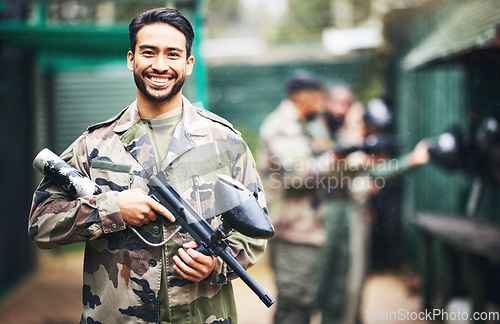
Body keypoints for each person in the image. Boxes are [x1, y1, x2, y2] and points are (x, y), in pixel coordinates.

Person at [28, 8, 269, 324]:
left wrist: (215, 266)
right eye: (148, 52)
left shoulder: (224, 142)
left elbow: (255, 230)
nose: (160, 65)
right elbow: (40, 225)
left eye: (172, 54)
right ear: (131, 59)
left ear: (188, 64)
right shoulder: (94, 144)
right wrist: (112, 209)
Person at [317, 93, 430, 324]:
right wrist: (411, 160)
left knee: (352, 284)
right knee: (343, 284)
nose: (364, 127)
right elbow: (365, 173)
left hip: (350, 215)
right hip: (337, 218)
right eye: (357, 120)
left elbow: (370, 173)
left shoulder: (351, 144)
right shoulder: (338, 143)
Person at [259, 71, 333, 324]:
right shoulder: (281, 127)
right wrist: (335, 160)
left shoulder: (303, 125)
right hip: (291, 229)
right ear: (303, 96)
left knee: (306, 299)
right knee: (295, 301)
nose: (322, 102)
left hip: (306, 227)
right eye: (319, 96)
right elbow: (296, 175)